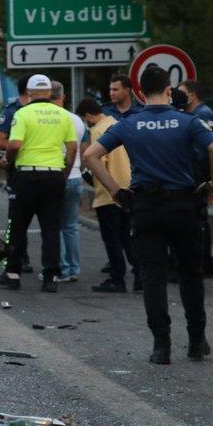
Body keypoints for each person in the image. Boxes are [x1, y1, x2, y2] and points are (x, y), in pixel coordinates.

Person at [84, 65, 213, 364]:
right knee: (191, 274)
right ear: (169, 90)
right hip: (183, 207)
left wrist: (115, 190)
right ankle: (195, 341)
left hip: (145, 207)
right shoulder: (188, 121)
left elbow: (90, 156)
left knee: (153, 276)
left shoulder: (129, 124)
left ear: (139, 93)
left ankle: (161, 346)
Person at [0, 74, 77, 292]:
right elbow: (71, 150)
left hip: (26, 176)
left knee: (18, 225)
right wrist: (64, 174)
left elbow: (13, 145)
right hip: (54, 176)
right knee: (51, 227)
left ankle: (12, 274)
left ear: (29, 93)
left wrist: (7, 162)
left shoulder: (22, 114)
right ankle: (50, 277)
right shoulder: (63, 115)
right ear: (49, 92)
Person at [75, 98, 139, 292]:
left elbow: (98, 163)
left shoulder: (97, 132)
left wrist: (90, 178)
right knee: (128, 237)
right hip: (128, 188)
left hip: (109, 193)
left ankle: (117, 278)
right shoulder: (119, 125)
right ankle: (141, 276)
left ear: (88, 116)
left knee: (112, 239)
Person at [0, 74, 34, 274]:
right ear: (29, 91)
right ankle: (18, 257)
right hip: (17, 171)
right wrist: (23, 147)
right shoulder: (11, 112)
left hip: (39, 171)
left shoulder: (41, 111)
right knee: (16, 219)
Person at [180, 80, 213, 279]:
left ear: (192, 95)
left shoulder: (203, 115)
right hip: (195, 174)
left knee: (200, 222)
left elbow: (211, 150)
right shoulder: (192, 115)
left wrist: (211, 180)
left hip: (199, 175)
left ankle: (206, 264)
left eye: (182, 93)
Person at [51, 81, 86, 282]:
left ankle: (62, 268)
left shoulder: (51, 119)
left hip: (56, 175)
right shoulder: (77, 120)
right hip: (75, 177)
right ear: (63, 96)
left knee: (55, 225)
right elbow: (83, 148)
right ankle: (74, 268)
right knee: (71, 226)